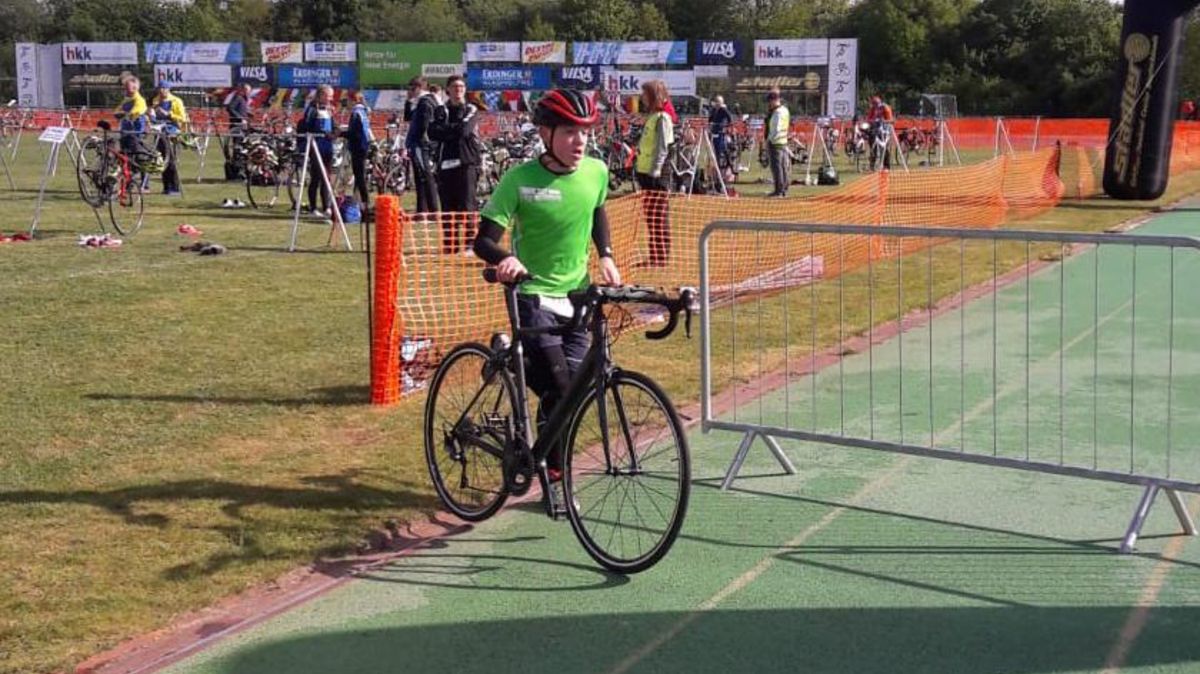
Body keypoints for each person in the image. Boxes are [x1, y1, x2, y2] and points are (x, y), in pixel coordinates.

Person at [472, 89, 621, 484]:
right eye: (570, 131)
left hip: (577, 297)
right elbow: (482, 240)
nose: (580, 141)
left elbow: (596, 210)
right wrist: (505, 258)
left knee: (567, 395)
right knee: (560, 386)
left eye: (585, 132)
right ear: (545, 132)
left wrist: (605, 254)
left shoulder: (596, 172)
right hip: (532, 297)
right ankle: (508, 353)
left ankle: (551, 469)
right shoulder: (519, 180)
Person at [430, 75, 483, 247]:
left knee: (467, 203)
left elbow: (465, 131)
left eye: (461, 86)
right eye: (454, 86)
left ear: (465, 90)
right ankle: (450, 244)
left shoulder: (471, 109)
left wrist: (447, 130)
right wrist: (453, 129)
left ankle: (469, 242)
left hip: (467, 162)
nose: (458, 89)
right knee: (447, 205)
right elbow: (433, 132)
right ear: (448, 90)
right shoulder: (440, 110)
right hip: (445, 163)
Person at [635, 80, 673, 266]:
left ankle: (661, 258)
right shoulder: (652, 117)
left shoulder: (662, 118)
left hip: (656, 177)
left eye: (645, 94)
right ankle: (655, 256)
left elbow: (662, 148)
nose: (642, 98)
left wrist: (656, 170)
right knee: (651, 218)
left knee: (658, 217)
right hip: (646, 174)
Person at [404, 77, 441, 214]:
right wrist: (408, 101)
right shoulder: (418, 102)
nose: (410, 91)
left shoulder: (426, 102)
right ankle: (422, 208)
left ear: (419, 88)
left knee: (426, 175)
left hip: (421, 144)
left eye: (411, 89)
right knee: (419, 177)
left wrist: (420, 140)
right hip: (415, 144)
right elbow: (408, 117)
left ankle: (433, 209)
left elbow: (425, 124)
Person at [300, 85, 337, 218]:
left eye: (331, 96)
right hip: (316, 146)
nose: (331, 99)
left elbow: (333, 125)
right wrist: (320, 133)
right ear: (321, 95)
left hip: (327, 147)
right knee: (316, 177)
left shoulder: (329, 109)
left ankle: (326, 207)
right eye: (329, 96)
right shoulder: (311, 108)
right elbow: (306, 126)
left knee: (327, 178)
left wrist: (335, 133)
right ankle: (313, 208)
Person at [149, 83, 187, 196]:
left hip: (172, 132)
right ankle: (166, 187)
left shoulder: (176, 101)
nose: (161, 92)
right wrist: (151, 116)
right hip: (159, 131)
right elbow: (152, 115)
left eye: (163, 89)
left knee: (171, 160)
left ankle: (175, 188)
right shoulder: (155, 100)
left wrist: (169, 114)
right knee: (161, 159)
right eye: (159, 89)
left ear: (168, 89)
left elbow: (182, 118)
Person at [346, 91, 374, 210]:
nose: (346, 103)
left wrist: (341, 134)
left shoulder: (356, 113)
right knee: (359, 175)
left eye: (348, 100)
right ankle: (357, 199)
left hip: (358, 146)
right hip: (363, 145)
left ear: (354, 100)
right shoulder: (363, 111)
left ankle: (365, 201)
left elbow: (354, 133)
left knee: (359, 175)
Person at [223, 83, 252, 180]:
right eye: (248, 91)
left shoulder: (244, 99)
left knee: (243, 147)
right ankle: (236, 169)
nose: (249, 93)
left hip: (242, 127)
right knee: (237, 148)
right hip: (237, 127)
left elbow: (241, 111)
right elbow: (230, 108)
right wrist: (240, 118)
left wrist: (248, 115)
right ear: (244, 90)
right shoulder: (238, 98)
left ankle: (242, 169)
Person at [765, 89, 791, 196]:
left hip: (775, 143)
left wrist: (769, 140)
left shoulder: (777, 113)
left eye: (770, 101)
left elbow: (776, 128)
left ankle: (778, 190)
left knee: (777, 168)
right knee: (783, 167)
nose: (768, 103)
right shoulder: (785, 110)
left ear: (774, 100)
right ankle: (784, 188)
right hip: (783, 141)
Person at [866, 94, 895, 169]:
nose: (875, 106)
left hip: (885, 131)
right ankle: (872, 164)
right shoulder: (873, 109)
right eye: (873, 104)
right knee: (873, 146)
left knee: (885, 148)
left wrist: (883, 121)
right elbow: (868, 119)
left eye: (876, 104)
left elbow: (891, 120)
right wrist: (873, 121)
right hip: (875, 129)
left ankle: (886, 165)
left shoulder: (885, 107)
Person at [708, 94, 733, 173]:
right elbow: (710, 118)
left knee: (721, 147)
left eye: (718, 102)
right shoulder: (714, 110)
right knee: (716, 148)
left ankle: (727, 162)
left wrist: (726, 125)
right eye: (716, 102)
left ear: (721, 102)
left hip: (721, 130)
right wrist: (710, 123)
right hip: (714, 130)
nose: (717, 103)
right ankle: (717, 164)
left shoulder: (723, 109)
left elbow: (730, 118)